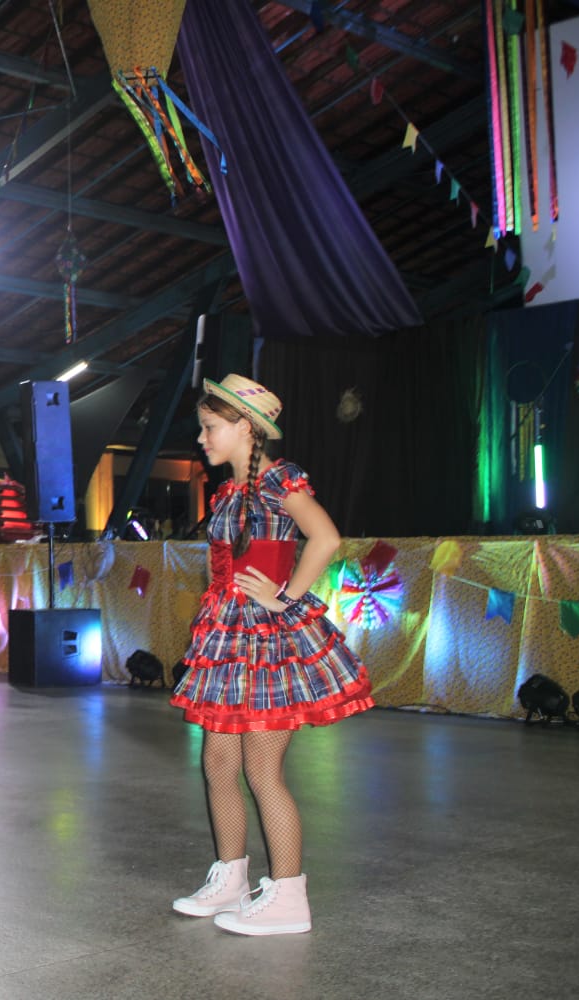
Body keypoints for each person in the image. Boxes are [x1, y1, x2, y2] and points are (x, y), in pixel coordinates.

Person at [169, 375, 374, 936]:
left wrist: (286, 597)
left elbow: (325, 538)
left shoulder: (278, 480)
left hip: (266, 640)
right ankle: (230, 878)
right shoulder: (227, 492)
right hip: (228, 637)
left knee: (263, 770)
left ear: (245, 427)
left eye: (210, 427)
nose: (202, 439)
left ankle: (288, 896)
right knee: (217, 764)